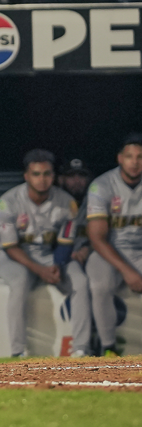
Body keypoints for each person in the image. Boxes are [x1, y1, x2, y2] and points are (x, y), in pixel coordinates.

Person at [0, 149, 80, 358]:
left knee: (81, 282)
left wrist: (57, 265)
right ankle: (18, 350)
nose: (42, 180)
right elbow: (11, 247)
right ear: (26, 176)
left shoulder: (67, 202)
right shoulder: (8, 201)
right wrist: (40, 270)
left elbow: (65, 242)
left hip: (47, 254)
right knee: (20, 282)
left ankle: (82, 349)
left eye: (47, 174)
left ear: (54, 176)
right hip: (13, 255)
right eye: (36, 174)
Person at [86, 134, 142, 357]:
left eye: (140, 157)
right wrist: (129, 272)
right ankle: (108, 347)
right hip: (108, 251)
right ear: (120, 158)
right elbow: (97, 238)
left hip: (139, 250)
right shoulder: (101, 185)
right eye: (129, 156)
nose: (135, 162)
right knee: (100, 285)